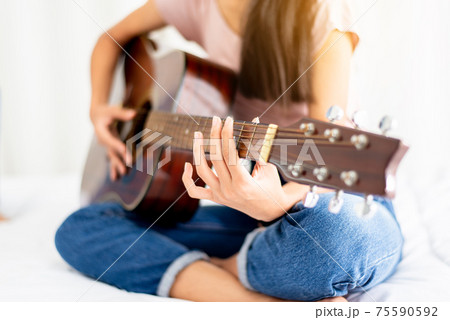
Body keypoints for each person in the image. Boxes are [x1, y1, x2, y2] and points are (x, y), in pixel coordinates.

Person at [55, 0, 403, 301]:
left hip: (326, 194)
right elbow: (109, 39)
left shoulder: (319, 11)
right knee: (81, 228)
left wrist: (277, 203)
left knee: (343, 241)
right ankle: (255, 296)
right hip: (249, 202)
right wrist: (98, 108)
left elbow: (330, 158)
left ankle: (220, 268)